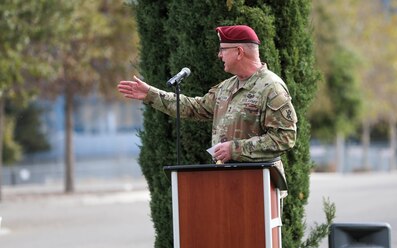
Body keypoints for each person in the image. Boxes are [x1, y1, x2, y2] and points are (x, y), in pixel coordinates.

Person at [117, 25, 297, 168]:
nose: (219, 55)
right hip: (225, 178)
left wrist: (235, 150)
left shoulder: (272, 88)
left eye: (223, 49)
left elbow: (284, 137)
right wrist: (151, 94)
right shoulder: (227, 86)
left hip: (259, 183)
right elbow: (193, 108)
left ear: (239, 52)